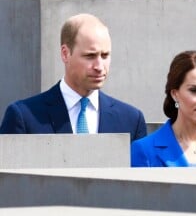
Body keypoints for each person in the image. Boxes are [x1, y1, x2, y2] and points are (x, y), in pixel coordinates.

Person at [0, 13, 147, 141]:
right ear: (65, 54)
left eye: (105, 55)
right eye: (90, 56)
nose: (99, 66)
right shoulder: (24, 117)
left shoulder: (131, 120)